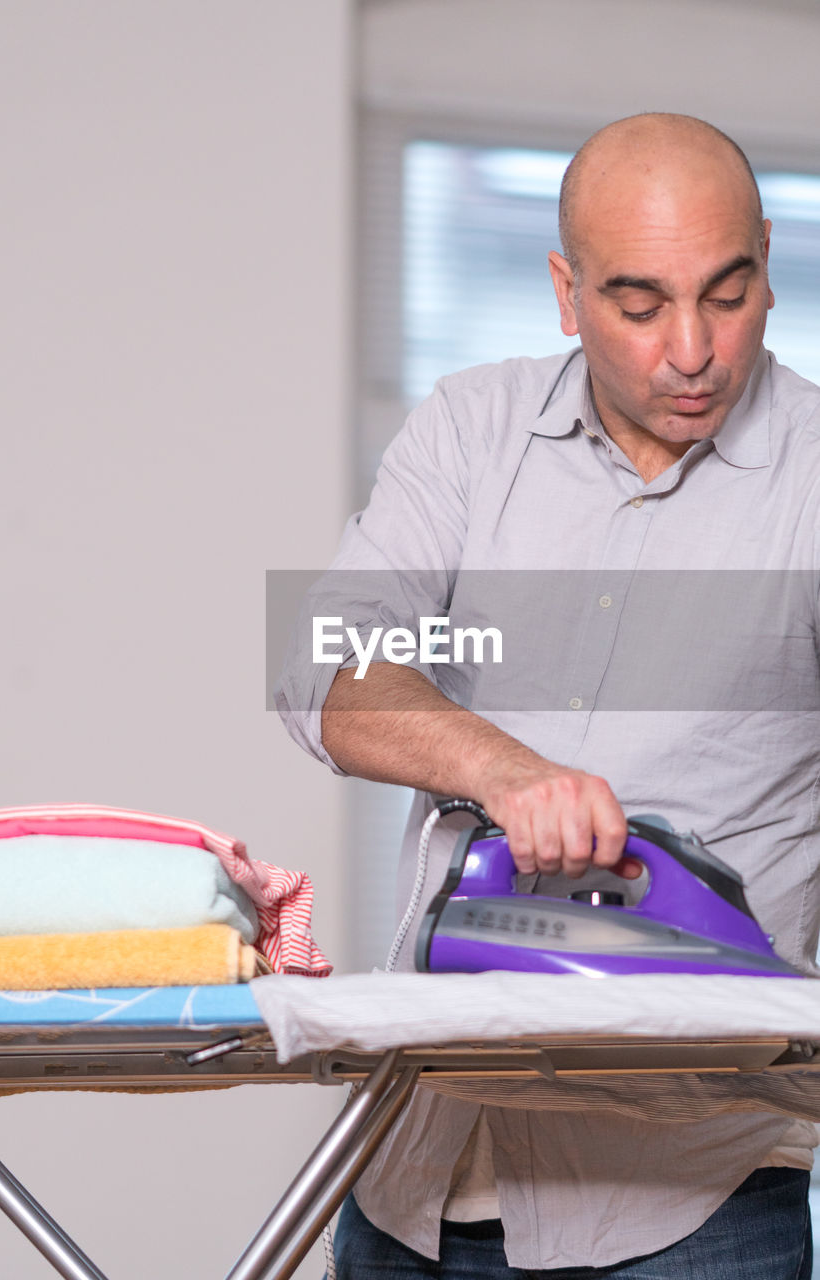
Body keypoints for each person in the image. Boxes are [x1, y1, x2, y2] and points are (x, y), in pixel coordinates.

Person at [276, 113, 820, 1278]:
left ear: (769, 261)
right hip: (414, 1173)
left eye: (727, 294)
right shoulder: (474, 429)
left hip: (688, 1196)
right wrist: (502, 769)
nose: (692, 350)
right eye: (639, 304)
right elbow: (316, 656)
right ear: (567, 293)